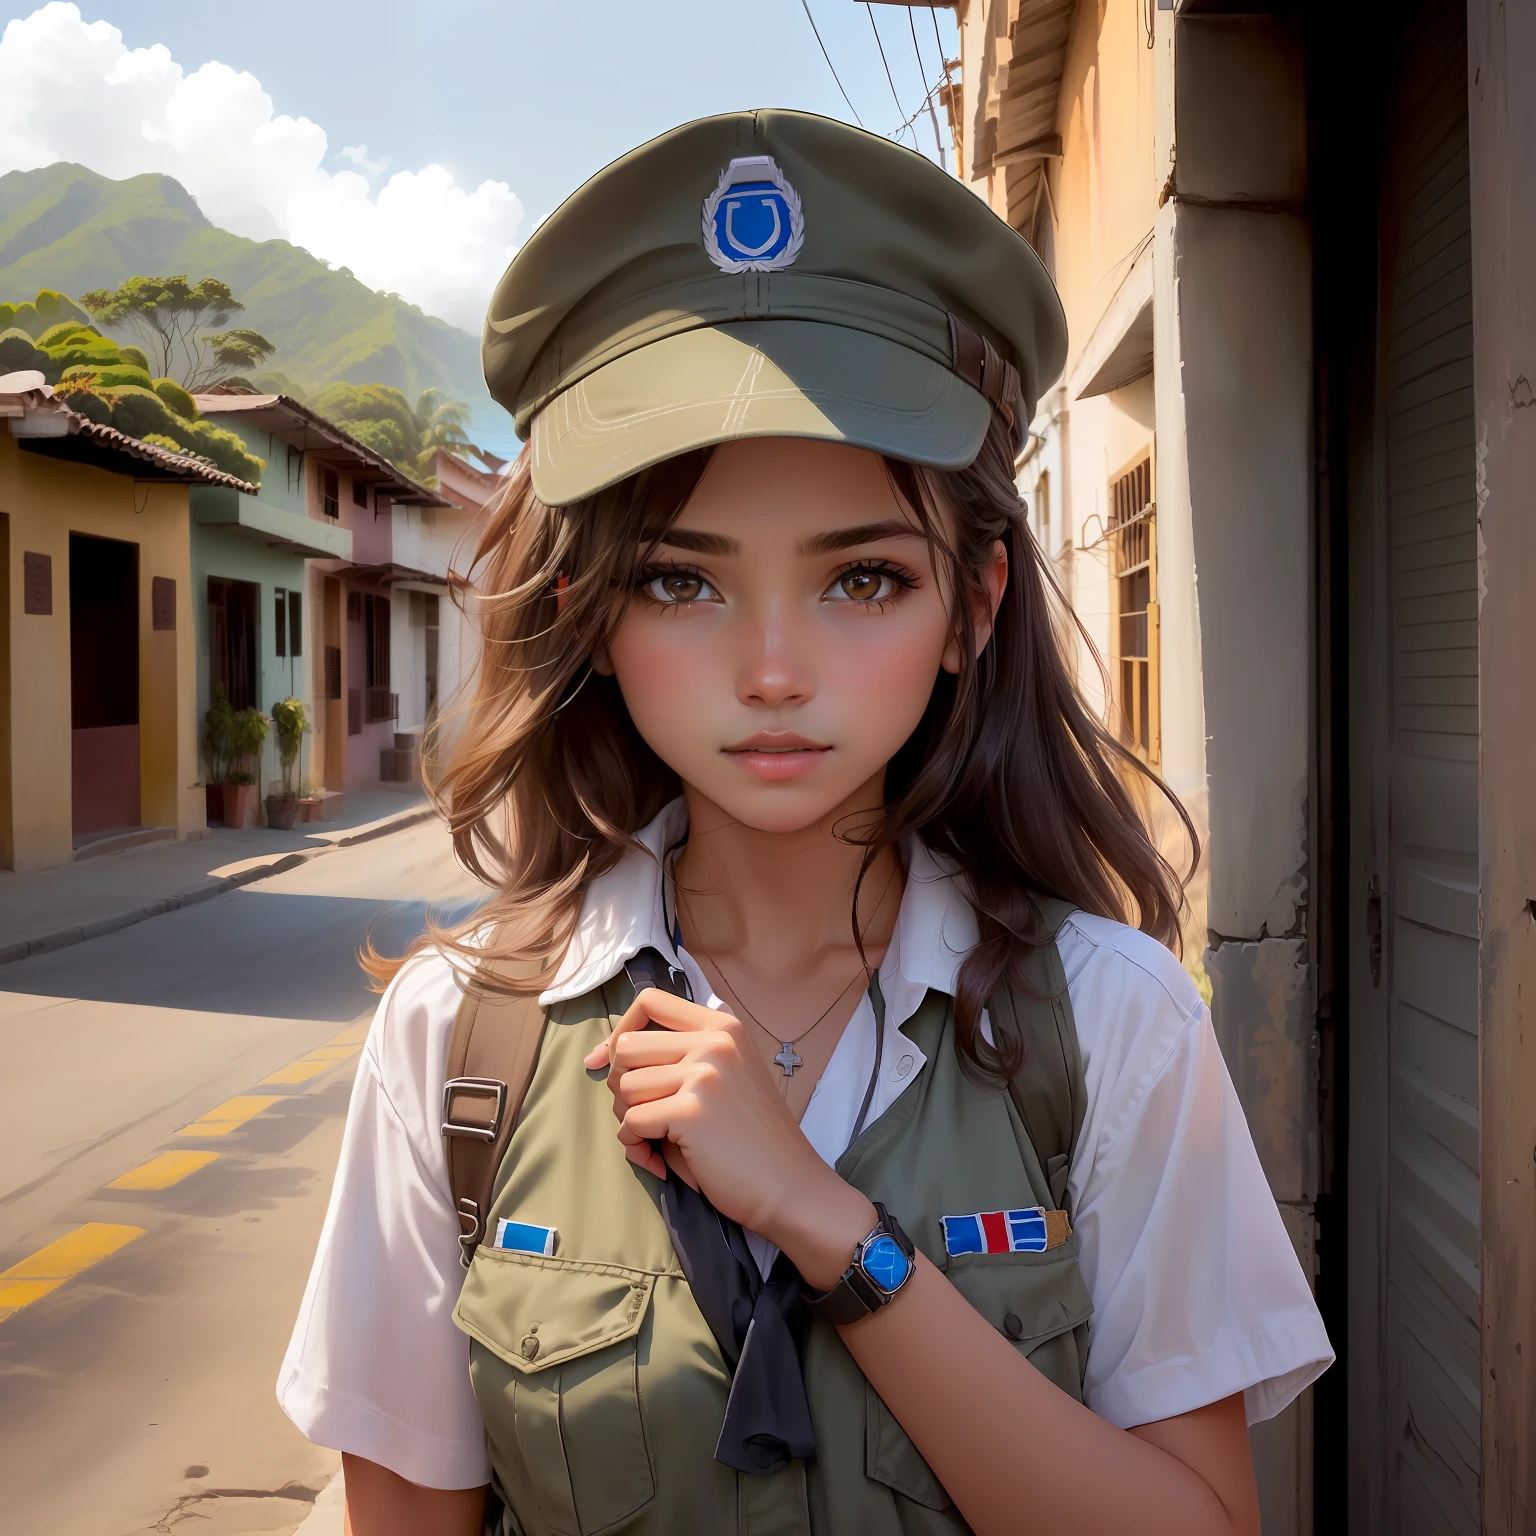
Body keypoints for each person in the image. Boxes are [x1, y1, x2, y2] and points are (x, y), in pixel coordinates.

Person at [277, 109, 1332, 1536]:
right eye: (681, 582)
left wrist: (831, 1230)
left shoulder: (1113, 1024)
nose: (773, 669)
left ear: (973, 607)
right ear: (592, 619)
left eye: (862, 582)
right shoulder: (462, 1047)